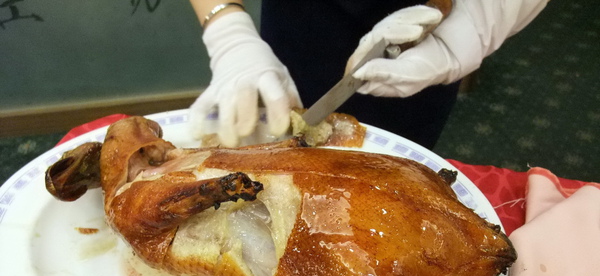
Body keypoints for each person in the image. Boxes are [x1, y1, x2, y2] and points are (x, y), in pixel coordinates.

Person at [188, 0, 548, 148]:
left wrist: (482, 13)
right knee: (273, 128)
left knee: (394, 174)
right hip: (302, 15)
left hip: (424, 22)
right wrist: (229, 32)